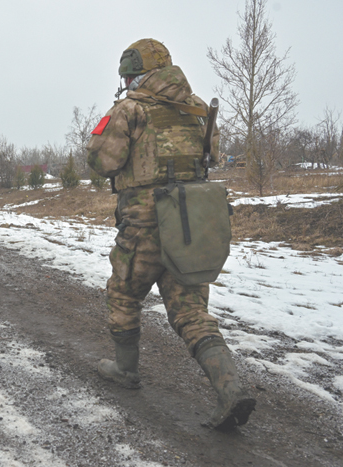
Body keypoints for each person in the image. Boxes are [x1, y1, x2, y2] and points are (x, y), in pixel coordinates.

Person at [86, 38, 255, 430]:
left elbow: (102, 161)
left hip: (144, 224)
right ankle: (230, 387)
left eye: (128, 75)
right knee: (191, 311)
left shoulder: (129, 109)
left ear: (135, 75)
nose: (126, 81)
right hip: (188, 225)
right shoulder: (197, 111)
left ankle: (125, 371)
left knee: (124, 293)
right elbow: (210, 157)